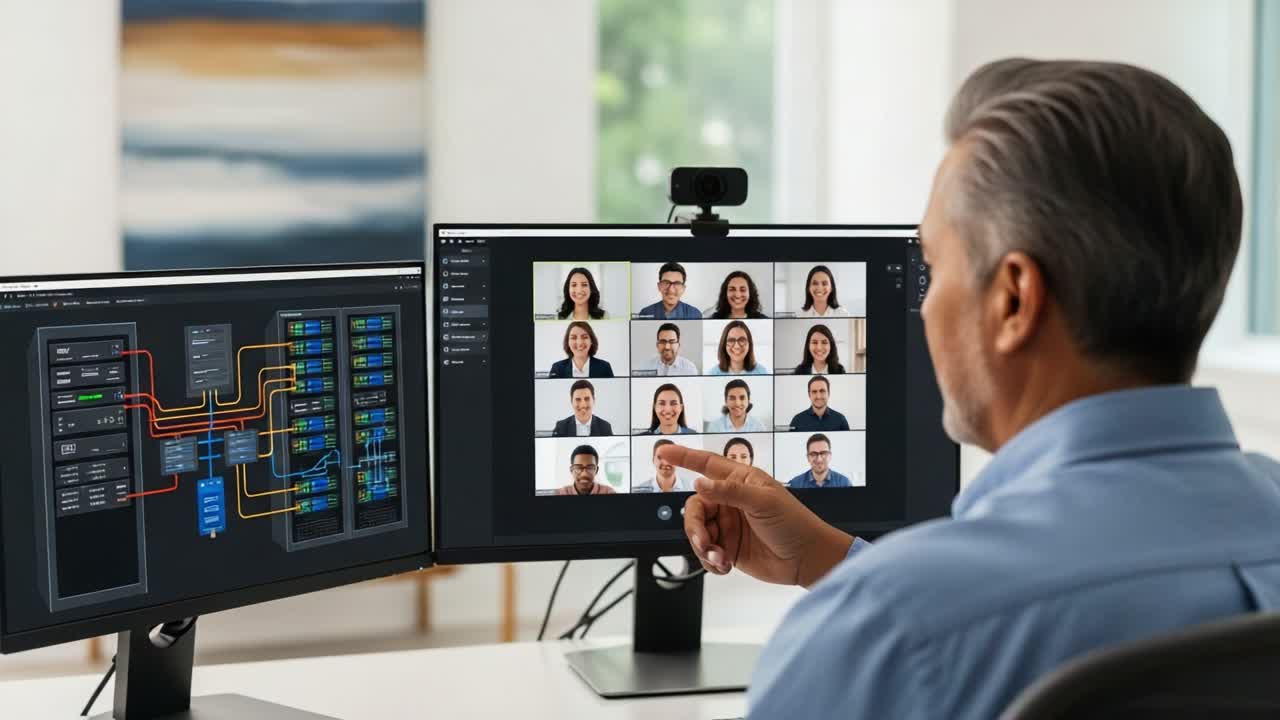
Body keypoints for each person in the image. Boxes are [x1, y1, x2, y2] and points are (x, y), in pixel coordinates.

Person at [660, 59, 1276, 719]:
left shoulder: (879, 636)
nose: (923, 308)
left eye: (930, 266)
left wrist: (869, 598)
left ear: (1014, 299)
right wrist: (833, 561)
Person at [786, 434, 857, 488]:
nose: (819, 459)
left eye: (823, 453)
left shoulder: (844, 483)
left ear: (830, 455)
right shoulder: (795, 484)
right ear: (808, 457)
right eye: (813, 454)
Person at [547, 321, 614, 378]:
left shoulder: (604, 367)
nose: (579, 343)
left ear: (591, 341)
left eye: (584, 337)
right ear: (567, 342)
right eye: (573, 338)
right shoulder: (557, 368)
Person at [637, 262, 703, 319]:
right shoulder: (645, 313)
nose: (671, 290)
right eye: (666, 282)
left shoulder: (695, 314)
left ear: (683, 288)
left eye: (677, 283)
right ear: (659, 286)